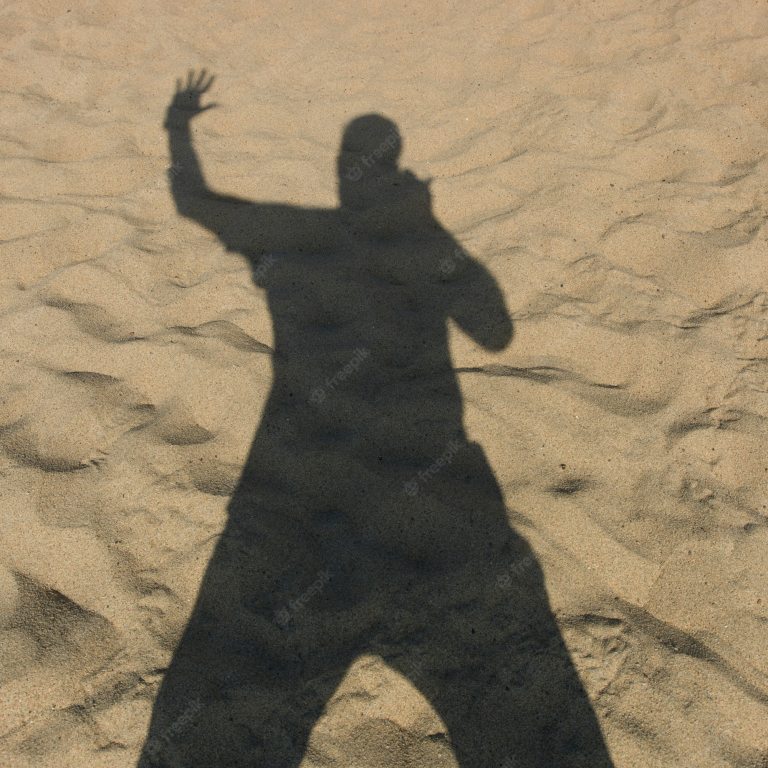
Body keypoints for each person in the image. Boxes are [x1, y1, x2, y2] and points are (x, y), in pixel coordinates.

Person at [138, 70, 614, 768]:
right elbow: (496, 331)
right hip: (440, 512)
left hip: (292, 507)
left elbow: (192, 200)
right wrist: (430, 224)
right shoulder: (416, 247)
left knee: (209, 716)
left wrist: (177, 126)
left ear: (341, 173)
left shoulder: (295, 233)